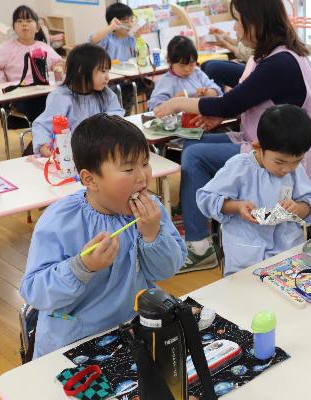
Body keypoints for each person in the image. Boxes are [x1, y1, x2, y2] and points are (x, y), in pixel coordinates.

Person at [154, 0, 311, 271]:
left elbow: (227, 104)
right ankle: (205, 226)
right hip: (263, 141)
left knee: (195, 154)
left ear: (254, 22)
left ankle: (198, 246)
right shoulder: (276, 54)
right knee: (191, 145)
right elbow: (240, 99)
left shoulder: (280, 63)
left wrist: (177, 103)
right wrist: (221, 113)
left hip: (278, 148)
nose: (235, 27)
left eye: (237, 20)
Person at [20, 114, 187, 358]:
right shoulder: (62, 220)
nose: (142, 176)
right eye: (129, 168)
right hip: (74, 343)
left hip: (133, 332)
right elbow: (34, 290)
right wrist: (82, 266)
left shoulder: (151, 210)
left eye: (144, 163)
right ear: (90, 179)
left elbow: (166, 270)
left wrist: (152, 235)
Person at [197, 105, 311, 275]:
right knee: (247, 298)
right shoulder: (240, 167)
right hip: (246, 257)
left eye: (297, 160)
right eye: (279, 162)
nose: (288, 169)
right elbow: (206, 198)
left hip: (287, 254)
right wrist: (237, 206)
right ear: (257, 147)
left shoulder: (295, 170)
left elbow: (310, 204)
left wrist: (298, 208)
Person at [32, 43, 124, 157]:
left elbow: (117, 114)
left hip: (101, 151)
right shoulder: (61, 97)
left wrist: (104, 124)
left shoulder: (106, 94)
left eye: (108, 71)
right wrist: (43, 145)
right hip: (70, 155)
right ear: (81, 70)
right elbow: (43, 125)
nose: (107, 77)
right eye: (103, 71)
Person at [0, 5, 63, 124]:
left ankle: (52, 136)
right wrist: (3, 84)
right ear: (14, 27)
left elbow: (58, 63)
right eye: (19, 21)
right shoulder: (8, 48)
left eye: (29, 21)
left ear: (37, 27)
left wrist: (59, 68)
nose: (24, 24)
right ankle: (43, 138)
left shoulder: (43, 47)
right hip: (20, 97)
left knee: (61, 99)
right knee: (43, 106)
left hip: (42, 92)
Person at [90, 3, 150, 114]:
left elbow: (140, 57)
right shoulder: (108, 38)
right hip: (112, 82)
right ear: (115, 23)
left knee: (151, 86)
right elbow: (93, 40)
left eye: (132, 20)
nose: (130, 24)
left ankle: (152, 113)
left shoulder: (131, 38)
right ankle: (124, 118)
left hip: (131, 78)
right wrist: (110, 28)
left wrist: (138, 38)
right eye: (126, 21)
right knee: (126, 92)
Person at [148, 35, 221, 111]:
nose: (187, 69)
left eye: (191, 64)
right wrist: (173, 102)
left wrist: (208, 92)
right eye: (182, 66)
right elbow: (154, 107)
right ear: (169, 61)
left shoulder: (197, 73)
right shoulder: (165, 81)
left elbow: (217, 91)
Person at [201, 26, 253, 90]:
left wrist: (226, 44)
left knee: (212, 67)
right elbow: (246, 47)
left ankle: (219, 95)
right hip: (250, 65)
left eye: (238, 20)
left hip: (257, 69)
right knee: (205, 65)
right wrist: (227, 38)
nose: (234, 27)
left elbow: (253, 54)